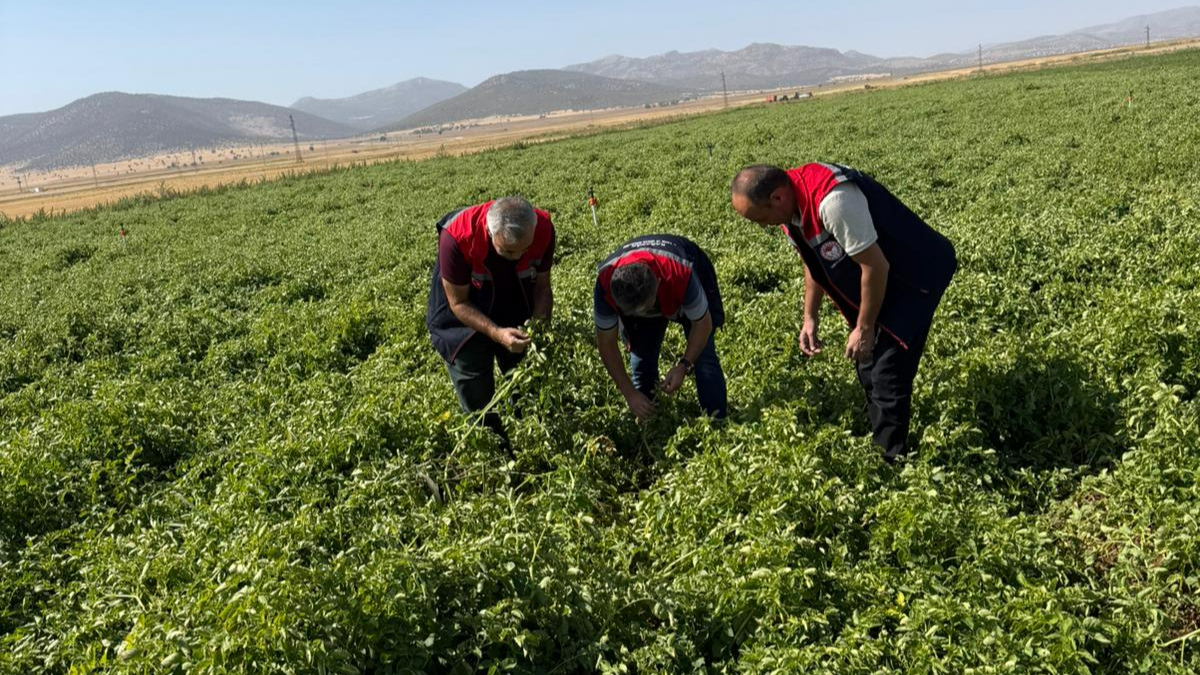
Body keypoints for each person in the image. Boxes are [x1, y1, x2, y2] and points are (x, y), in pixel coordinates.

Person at [730, 163, 956, 462]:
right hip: (881, 275)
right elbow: (814, 260)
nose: (762, 226)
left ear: (777, 198)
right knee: (866, 365)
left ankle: (891, 463)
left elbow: (876, 266)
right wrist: (810, 317)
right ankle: (881, 438)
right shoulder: (789, 208)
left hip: (914, 276)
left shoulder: (833, 202)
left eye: (760, 219)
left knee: (887, 372)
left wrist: (864, 328)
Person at [426, 196, 555, 438]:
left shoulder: (543, 229)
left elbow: (542, 287)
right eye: (507, 251)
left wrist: (538, 325)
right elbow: (458, 303)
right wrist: (496, 333)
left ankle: (531, 438)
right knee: (477, 396)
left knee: (526, 383)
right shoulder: (457, 238)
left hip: (513, 299)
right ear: (490, 231)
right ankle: (495, 449)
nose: (518, 257)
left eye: (525, 249)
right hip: (461, 315)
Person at [593, 234, 727, 420]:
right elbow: (606, 344)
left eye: (646, 310)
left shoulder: (679, 272)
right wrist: (629, 393)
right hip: (643, 295)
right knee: (641, 363)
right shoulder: (605, 285)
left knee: (705, 360)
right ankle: (649, 423)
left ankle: (717, 421)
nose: (645, 315)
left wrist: (684, 365)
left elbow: (702, 324)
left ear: (658, 284)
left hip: (686, 271)